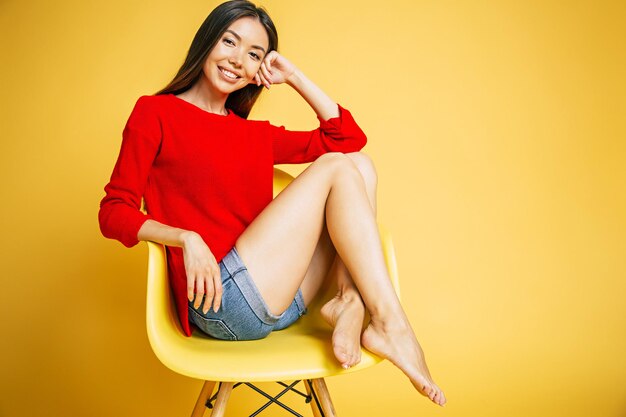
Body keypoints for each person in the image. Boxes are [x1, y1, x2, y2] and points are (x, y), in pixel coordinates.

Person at [98, 0, 446, 406]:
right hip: (220, 303)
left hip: (281, 299)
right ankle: (390, 323)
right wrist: (184, 238)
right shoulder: (155, 113)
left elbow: (348, 138)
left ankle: (349, 300)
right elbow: (113, 211)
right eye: (229, 41)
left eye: (254, 55)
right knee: (338, 167)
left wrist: (294, 77)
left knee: (358, 165)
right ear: (207, 41)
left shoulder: (253, 135)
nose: (237, 60)